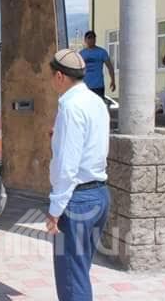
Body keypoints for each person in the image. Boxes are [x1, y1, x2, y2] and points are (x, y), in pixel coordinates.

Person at [45, 49, 110, 301]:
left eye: (52, 76)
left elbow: (67, 167)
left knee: (72, 278)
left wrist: (55, 209)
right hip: (99, 195)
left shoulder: (70, 107)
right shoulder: (96, 101)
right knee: (79, 273)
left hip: (77, 201)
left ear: (60, 76)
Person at [79, 31, 116, 98]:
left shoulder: (102, 52)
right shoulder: (81, 53)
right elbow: (77, 70)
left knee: (98, 104)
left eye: (93, 38)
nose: (91, 40)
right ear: (85, 40)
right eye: (89, 38)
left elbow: (110, 67)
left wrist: (113, 80)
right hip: (85, 87)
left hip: (98, 87)